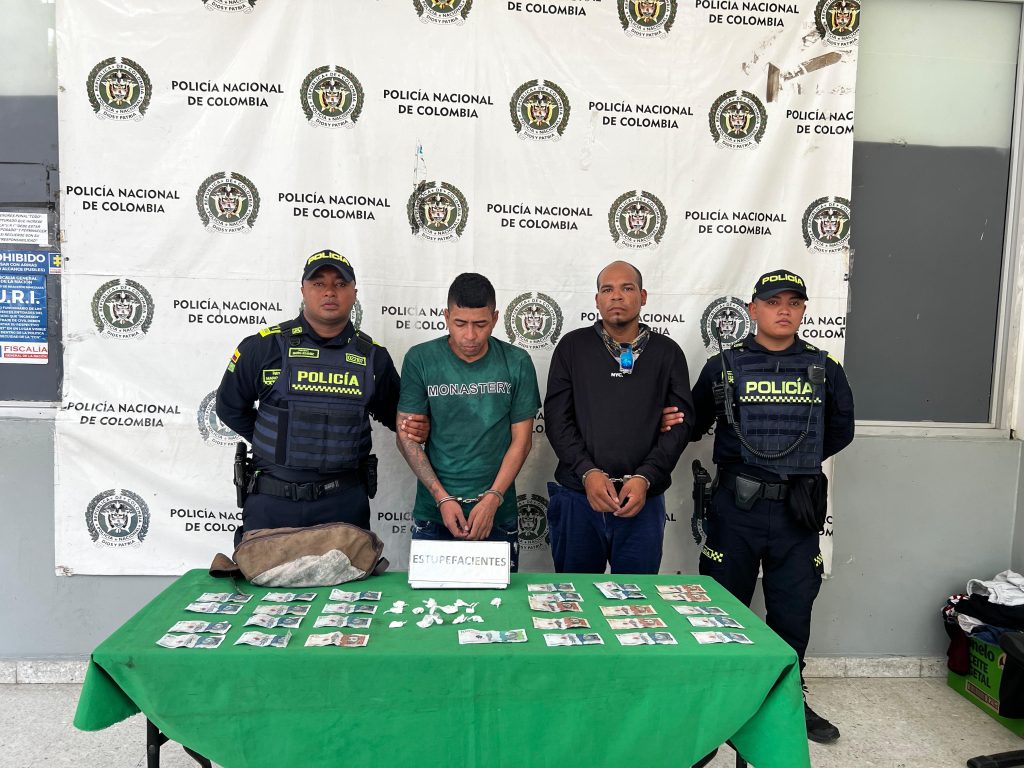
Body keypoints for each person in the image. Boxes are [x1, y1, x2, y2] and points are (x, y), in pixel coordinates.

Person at [691, 268, 855, 749]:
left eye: (793, 302)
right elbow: (694, 422)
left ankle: (786, 700)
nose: (784, 310)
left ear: (803, 310)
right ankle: (720, 699)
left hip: (795, 513)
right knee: (722, 610)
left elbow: (840, 430)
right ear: (753, 309)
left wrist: (790, 463)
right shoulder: (723, 366)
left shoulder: (825, 367)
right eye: (773, 301)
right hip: (735, 510)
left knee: (792, 612)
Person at [215, 249, 427, 541]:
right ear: (303, 290)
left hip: (343, 504)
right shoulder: (263, 347)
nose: (329, 291)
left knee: (347, 574)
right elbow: (229, 407)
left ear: (354, 293)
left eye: (340, 284)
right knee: (263, 572)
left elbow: (399, 417)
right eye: (318, 283)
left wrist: (418, 426)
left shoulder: (373, 357)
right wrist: (276, 442)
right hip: (273, 501)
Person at [544, 260, 694, 574]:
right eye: (607, 289)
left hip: (642, 499)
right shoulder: (572, 347)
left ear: (643, 296)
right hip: (578, 497)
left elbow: (680, 425)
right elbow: (557, 420)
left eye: (627, 288)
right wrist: (587, 473)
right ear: (597, 299)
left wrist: (645, 477)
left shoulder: (667, 353)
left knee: (638, 599)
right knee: (575, 598)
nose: (616, 296)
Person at [396, 273, 540, 572]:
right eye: (460, 323)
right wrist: (442, 498)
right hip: (434, 513)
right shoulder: (420, 359)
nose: (470, 335)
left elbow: (522, 441)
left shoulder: (516, 361)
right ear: (446, 316)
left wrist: (493, 499)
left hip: (496, 514)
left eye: (481, 324)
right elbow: (406, 436)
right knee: (430, 600)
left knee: (500, 602)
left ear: (495, 318)